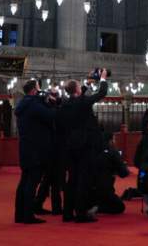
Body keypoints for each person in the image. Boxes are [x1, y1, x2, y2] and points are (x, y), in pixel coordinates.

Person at [58, 69, 108, 223]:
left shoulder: (65, 104)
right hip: (84, 146)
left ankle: (67, 213)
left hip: (70, 146)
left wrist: (87, 83)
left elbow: (79, 97)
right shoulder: (82, 102)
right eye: (80, 87)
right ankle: (80, 213)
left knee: (71, 180)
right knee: (82, 180)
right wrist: (103, 79)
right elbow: (101, 94)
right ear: (77, 90)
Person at [14, 79, 55, 224]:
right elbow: (51, 116)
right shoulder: (34, 105)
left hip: (25, 148)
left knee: (24, 182)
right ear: (33, 91)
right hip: (36, 150)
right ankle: (28, 215)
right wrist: (50, 102)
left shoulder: (23, 104)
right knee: (32, 183)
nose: (40, 91)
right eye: (38, 89)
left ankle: (19, 215)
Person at [34, 87, 63, 215]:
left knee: (49, 179)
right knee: (54, 179)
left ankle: (39, 205)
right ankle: (55, 208)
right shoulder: (49, 110)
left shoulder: (46, 107)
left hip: (52, 147)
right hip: (53, 148)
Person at [92, 135, 129, 214]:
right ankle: (99, 208)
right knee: (120, 207)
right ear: (110, 141)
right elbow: (124, 173)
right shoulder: (113, 152)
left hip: (91, 189)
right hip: (106, 190)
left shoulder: (94, 151)